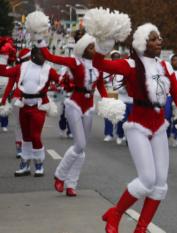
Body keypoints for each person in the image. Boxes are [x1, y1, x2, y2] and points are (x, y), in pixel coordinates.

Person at [92, 23, 177, 233]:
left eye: (159, 38)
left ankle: (141, 228)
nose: (159, 41)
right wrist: (103, 44)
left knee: (161, 184)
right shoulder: (131, 65)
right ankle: (115, 214)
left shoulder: (165, 67)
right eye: (153, 38)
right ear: (143, 43)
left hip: (160, 128)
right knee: (147, 180)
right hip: (138, 126)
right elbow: (100, 65)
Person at [35, 33, 108, 196]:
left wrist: (109, 101)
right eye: (90, 47)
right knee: (80, 144)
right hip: (74, 104)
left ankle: (71, 184)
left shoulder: (99, 66)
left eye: (94, 46)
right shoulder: (75, 62)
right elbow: (50, 56)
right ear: (82, 49)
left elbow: (101, 86)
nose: (93, 50)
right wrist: (39, 37)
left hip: (89, 106)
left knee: (81, 148)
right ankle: (60, 175)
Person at [0, 47, 60, 177]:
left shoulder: (48, 69)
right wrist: (3, 57)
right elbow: (3, 72)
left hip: (39, 106)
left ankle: (39, 165)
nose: (44, 57)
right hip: (24, 105)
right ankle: (25, 165)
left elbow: (60, 80)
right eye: (41, 54)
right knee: (25, 137)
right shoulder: (23, 67)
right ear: (33, 55)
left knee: (35, 135)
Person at [0, 48, 31, 158]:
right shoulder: (18, 68)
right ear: (27, 58)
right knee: (20, 124)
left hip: (32, 99)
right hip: (18, 99)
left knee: (26, 125)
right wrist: (3, 57)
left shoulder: (38, 68)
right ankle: (20, 147)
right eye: (30, 56)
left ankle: (26, 146)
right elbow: (7, 80)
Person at [103, 50, 133, 144]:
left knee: (121, 116)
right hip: (111, 93)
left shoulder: (122, 68)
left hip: (121, 95)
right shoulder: (106, 69)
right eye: (114, 57)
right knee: (109, 114)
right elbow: (103, 81)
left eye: (117, 57)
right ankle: (108, 133)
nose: (116, 58)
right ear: (111, 58)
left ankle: (121, 134)